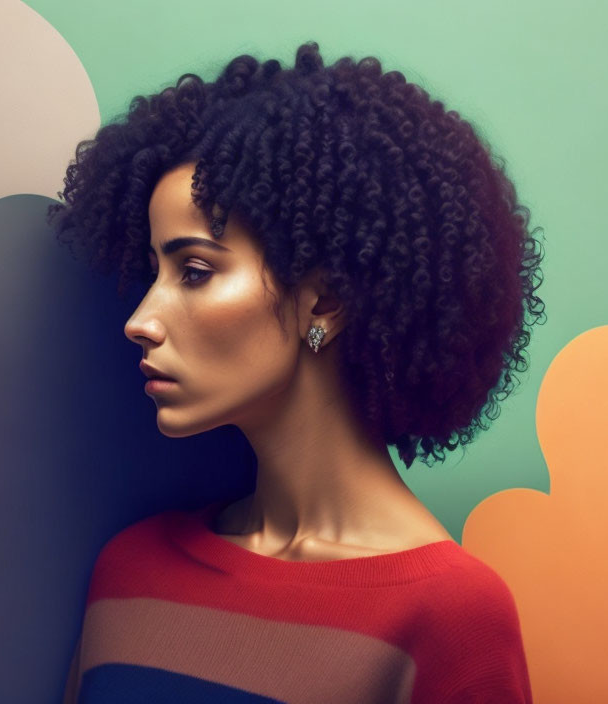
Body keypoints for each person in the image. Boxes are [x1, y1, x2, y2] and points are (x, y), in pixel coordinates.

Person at [48, 40, 544, 704]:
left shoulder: (450, 618)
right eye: (155, 271)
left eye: (194, 271)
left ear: (326, 302)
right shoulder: (130, 571)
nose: (141, 318)